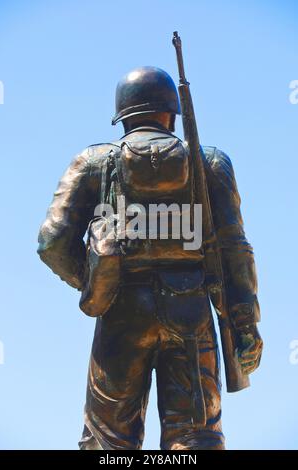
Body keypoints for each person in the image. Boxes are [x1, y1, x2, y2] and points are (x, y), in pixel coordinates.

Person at [38, 66, 263, 450]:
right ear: (171, 113)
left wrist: (94, 282)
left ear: (122, 115)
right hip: (191, 312)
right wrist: (245, 323)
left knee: (108, 442)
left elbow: (51, 242)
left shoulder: (93, 161)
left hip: (121, 313)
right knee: (196, 438)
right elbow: (235, 249)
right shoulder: (210, 162)